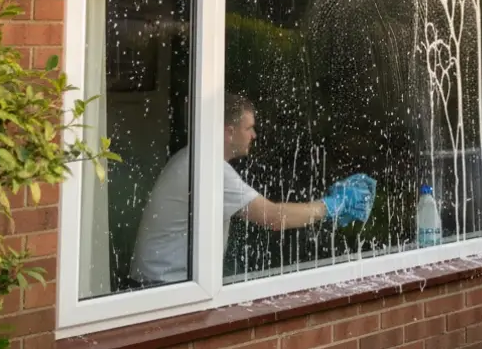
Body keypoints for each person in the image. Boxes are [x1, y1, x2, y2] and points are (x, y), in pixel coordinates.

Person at [130, 93, 375, 287]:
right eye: (249, 128)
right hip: (162, 288)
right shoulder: (208, 167)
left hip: (164, 284)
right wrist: (331, 205)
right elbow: (273, 217)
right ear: (229, 132)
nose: (254, 135)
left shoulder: (192, 157)